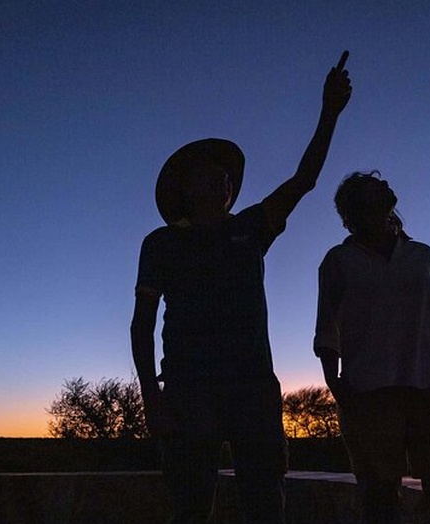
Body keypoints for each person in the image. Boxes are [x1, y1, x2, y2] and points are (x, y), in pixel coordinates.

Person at [130, 52, 352, 524]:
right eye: (209, 175)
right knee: (189, 505)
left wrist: (329, 112)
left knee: (265, 502)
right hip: (189, 390)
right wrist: (153, 400)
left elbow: (305, 179)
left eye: (227, 177)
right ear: (187, 189)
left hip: (252, 387)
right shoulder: (162, 243)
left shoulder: (252, 228)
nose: (223, 181)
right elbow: (141, 325)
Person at [314, 172, 430, 524]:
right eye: (373, 186)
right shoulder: (338, 261)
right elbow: (326, 328)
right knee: (380, 502)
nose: (385, 184)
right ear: (355, 206)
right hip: (370, 394)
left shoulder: (421, 255)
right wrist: (336, 384)